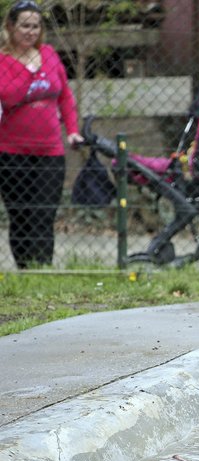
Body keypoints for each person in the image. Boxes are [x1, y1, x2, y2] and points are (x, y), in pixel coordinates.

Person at [0, 0, 83, 268]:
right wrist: (30, 71)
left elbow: (65, 97)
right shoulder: (3, 61)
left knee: (44, 214)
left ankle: (43, 268)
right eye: (25, 25)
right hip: (12, 153)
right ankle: (25, 268)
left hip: (50, 152)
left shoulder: (49, 54)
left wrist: (72, 131)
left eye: (35, 26)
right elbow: (10, 96)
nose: (31, 31)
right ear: (10, 27)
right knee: (20, 215)